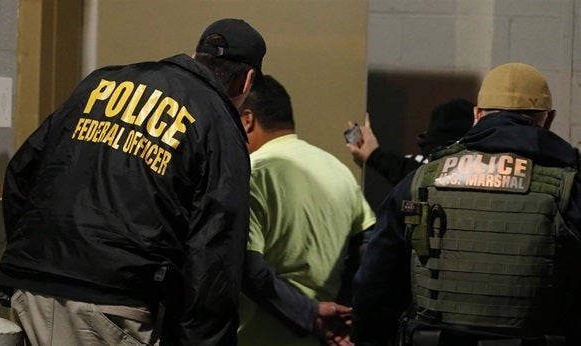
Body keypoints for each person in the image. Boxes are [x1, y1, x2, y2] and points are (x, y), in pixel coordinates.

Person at [0, 18, 266, 346]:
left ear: (196, 56)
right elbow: (215, 253)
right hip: (113, 304)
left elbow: (22, 172)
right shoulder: (218, 122)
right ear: (247, 81)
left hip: (33, 288)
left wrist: (25, 262)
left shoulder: (102, 83)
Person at [351, 62, 581, 346]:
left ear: (477, 115)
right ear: (549, 119)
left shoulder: (422, 180)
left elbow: (374, 287)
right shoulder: (569, 187)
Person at [237, 75, 376, 346]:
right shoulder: (338, 170)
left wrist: (309, 315)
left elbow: (247, 268)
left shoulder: (251, 175)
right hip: (325, 338)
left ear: (247, 120)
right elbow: (367, 248)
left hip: (258, 337)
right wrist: (342, 311)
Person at [346, 98, 475, 185]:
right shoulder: (485, 170)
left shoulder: (419, 173)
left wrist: (374, 155)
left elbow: (404, 169)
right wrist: (374, 155)